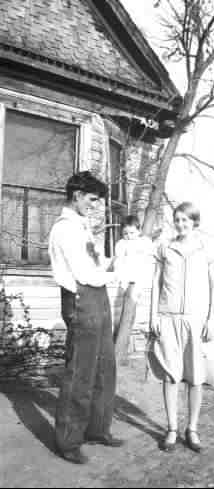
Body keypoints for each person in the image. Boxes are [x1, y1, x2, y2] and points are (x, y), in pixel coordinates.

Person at [48, 171, 124, 465]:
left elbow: (94, 263)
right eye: (92, 199)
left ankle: (97, 429)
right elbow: (84, 274)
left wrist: (115, 260)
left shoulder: (81, 227)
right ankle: (68, 441)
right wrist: (118, 273)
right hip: (82, 300)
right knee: (80, 374)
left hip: (98, 297)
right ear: (77, 195)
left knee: (105, 369)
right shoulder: (65, 229)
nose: (94, 205)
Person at [148, 201, 214, 453]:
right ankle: (171, 428)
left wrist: (212, 320)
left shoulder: (207, 248)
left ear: (194, 223)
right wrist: (153, 316)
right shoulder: (165, 247)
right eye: (177, 220)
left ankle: (192, 429)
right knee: (170, 375)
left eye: (186, 221)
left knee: (195, 377)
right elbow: (157, 283)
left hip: (196, 320)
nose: (181, 224)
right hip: (168, 318)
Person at [114, 215, 154, 291]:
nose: (129, 236)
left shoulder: (144, 242)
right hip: (126, 278)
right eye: (125, 233)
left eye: (132, 233)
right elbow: (118, 262)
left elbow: (150, 258)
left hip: (141, 278)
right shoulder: (121, 244)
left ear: (139, 231)